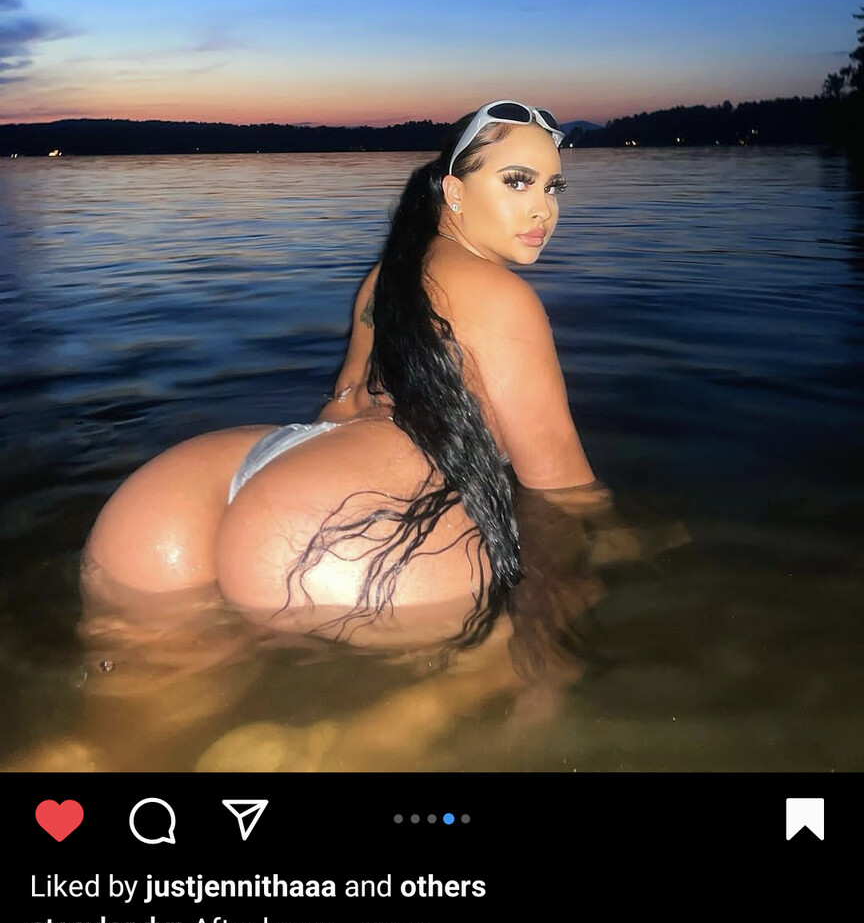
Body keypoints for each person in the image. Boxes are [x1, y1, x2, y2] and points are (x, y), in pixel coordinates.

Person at [84, 103, 607, 661]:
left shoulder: (386, 279)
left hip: (209, 481)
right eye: (517, 182)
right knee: (513, 663)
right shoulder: (504, 297)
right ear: (454, 192)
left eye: (553, 187)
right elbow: (562, 489)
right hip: (339, 523)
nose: (543, 208)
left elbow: (337, 409)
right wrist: (614, 551)